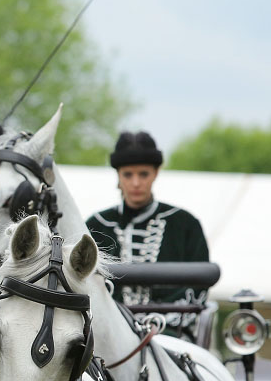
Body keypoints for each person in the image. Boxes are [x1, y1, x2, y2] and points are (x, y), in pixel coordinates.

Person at [86, 131, 210, 339]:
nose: (136, 183)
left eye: (143, 174)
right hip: (108, 334)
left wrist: (159, 322)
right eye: (128, 174)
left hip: (172, 334)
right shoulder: (96, 225)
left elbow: (198, 288)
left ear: (156, 173)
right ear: (118, 175)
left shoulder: (185, 224)